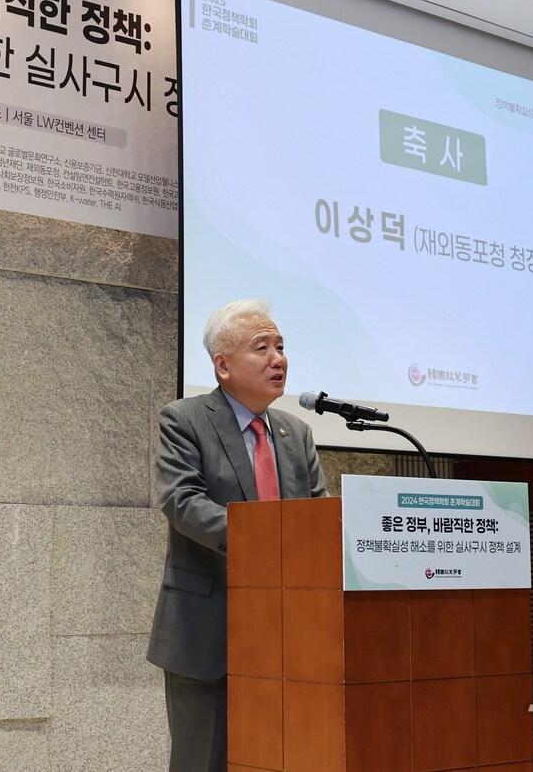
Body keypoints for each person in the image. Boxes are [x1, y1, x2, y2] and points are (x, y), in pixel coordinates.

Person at [147, 299, 329, 772]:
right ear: (223, 365)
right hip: (207, 631)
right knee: (202, 762)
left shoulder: (296, 433)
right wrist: (265, 538)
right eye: (262, 347)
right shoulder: (184, 419)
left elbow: (319, 517)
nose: (278, 359)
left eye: (281, 347)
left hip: (288, 634)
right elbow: (182, 501)